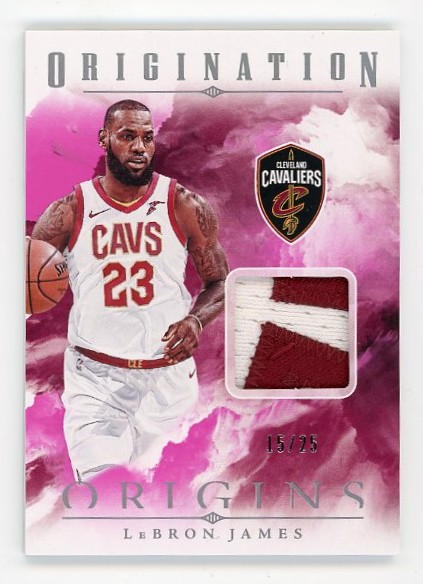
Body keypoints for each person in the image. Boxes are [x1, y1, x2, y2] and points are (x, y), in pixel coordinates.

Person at [31, 99, 229, 481]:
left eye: (147, 138)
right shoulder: (69, 211)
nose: (140, 147)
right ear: (104, 139)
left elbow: (220, 281)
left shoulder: (184, 205)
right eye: (127, 136)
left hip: (168, 381)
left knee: (162, 494)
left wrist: (195, 321)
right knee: (104, 490)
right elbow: (21, 283)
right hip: (96, 381)